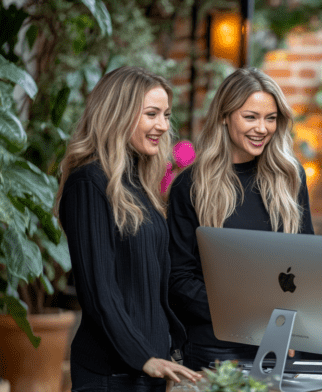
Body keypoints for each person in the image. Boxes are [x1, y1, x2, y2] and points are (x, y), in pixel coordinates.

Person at [55, 66, 201, 391]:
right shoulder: (89, 183)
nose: (163, 126)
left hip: (148, 369)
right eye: (152, 114)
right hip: (111, 375)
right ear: (119, 114)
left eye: (166, 114)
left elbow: (152, 283)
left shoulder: (139, 186)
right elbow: (99, 290)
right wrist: (142, 357)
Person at [168, 67, 314, 370]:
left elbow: (307, 265)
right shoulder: (191, 186)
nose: (262, 128)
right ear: (224, 116)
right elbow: (179, 281)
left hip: (277, 345)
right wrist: (250, 314)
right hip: (213, 350)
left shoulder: (290, 178)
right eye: (250, 117)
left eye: (270, 118)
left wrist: (289, 327)